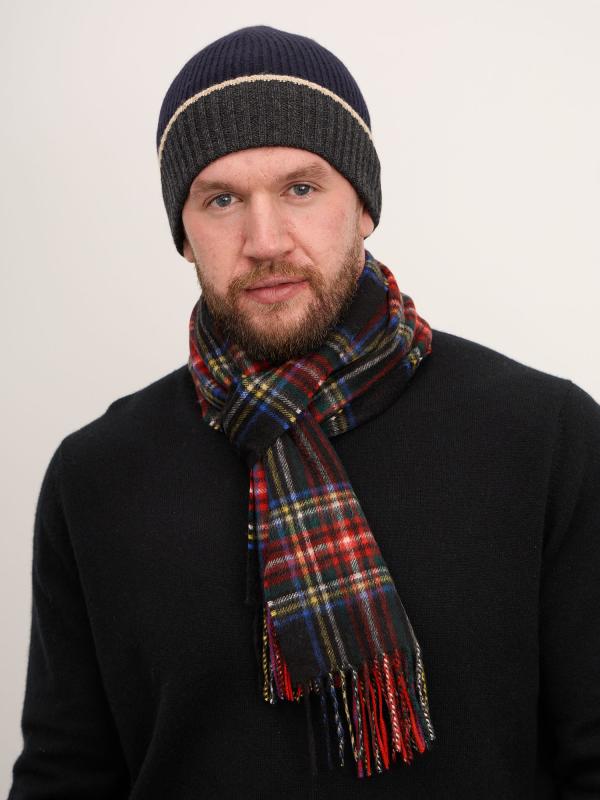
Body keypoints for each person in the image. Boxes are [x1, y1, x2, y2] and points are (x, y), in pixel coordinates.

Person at [8, 24, 600, 800]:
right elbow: (65, 776)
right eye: (221, 199)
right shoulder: (97, 475)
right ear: (183, 235)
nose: (264, 240)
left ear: (364, 207)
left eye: (300, 189)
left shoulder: (544, 437)